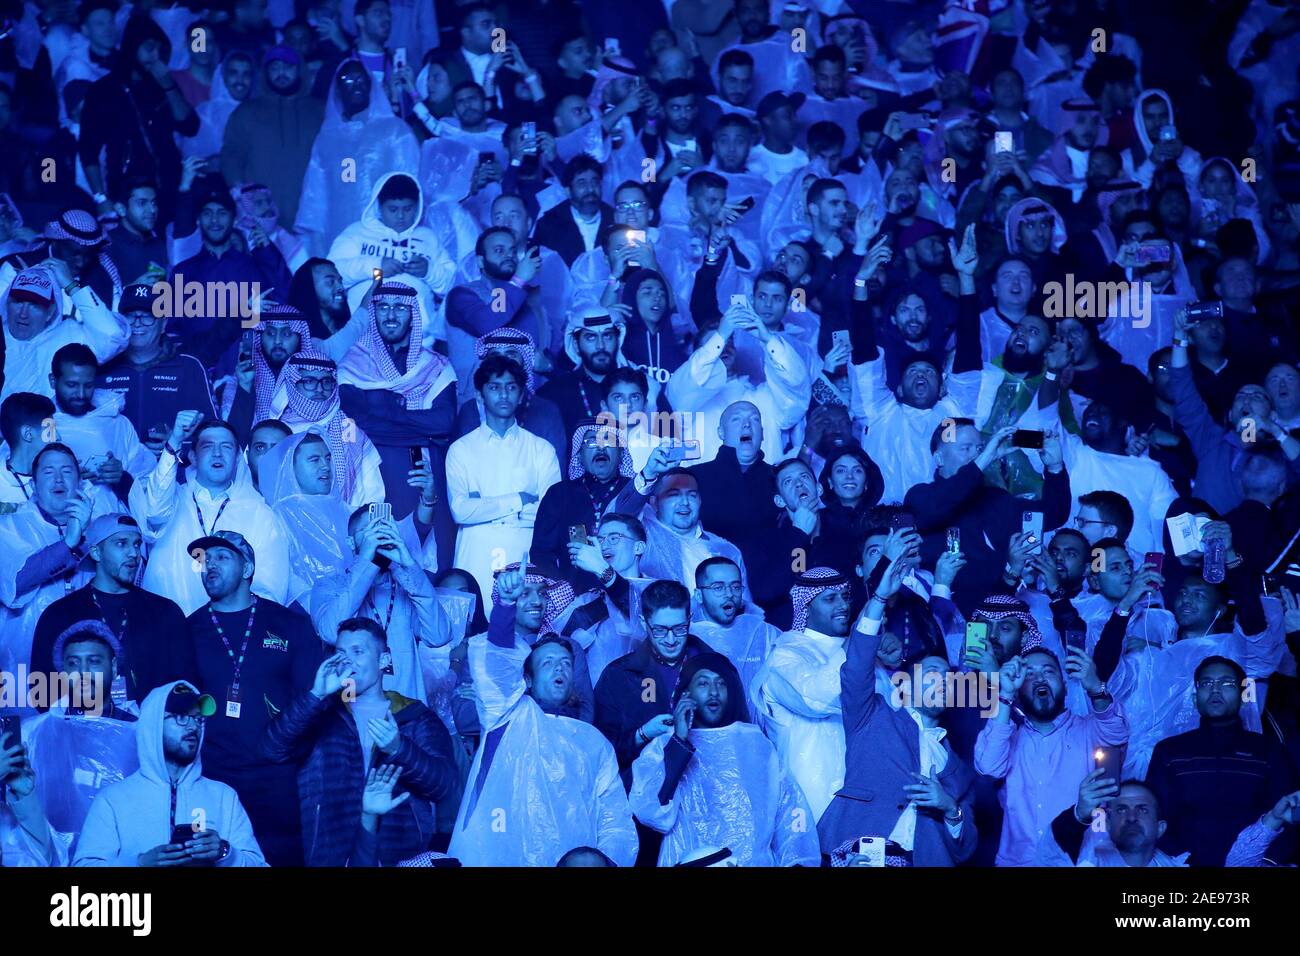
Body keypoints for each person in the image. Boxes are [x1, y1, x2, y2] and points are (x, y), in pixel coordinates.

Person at [447, 565, 637, 866]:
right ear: (528, 681)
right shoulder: (507, 716)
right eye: (547, 663)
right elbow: (498, 660)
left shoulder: (593, 741)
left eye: (565, 663)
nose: (560, 668)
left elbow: (614, 819)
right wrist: (506, 606)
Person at [819, 556, 979, 866]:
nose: (943, 681)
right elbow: (855, 669)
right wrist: (879, 599)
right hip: (856, 855)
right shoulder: (871, 716)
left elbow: (966, 848)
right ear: (905, 686)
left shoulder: (958, 768)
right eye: (932, 673)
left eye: (948, 677)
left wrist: (949, 807)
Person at [260, 618, 459, 866]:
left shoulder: (415, 716)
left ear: (383, 661)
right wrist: (317, 695)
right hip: (329, 857)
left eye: (358, 651)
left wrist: (399, 749)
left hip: (397, 857)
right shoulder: (320, 713)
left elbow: (445, 786)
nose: (347, 660)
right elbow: (271, 749)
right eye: (341, 652)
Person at [182, 530, 322, 867]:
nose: (208, 565)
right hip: (212, 781)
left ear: (247, 569)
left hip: (279, 783)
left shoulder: (291, 625)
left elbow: (314, 705)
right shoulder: (187, 630)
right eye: (204, 559)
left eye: (221, 557)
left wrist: (287, 760)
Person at [628, 651, 820, 866]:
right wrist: (679, 742)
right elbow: (650, 812)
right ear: (685, 693)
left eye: (721, 684)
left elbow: (789, 808)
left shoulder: (756, 743)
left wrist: (798, 862)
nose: (713, 692)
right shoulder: (663, 746)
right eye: (703, 683)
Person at [73, 682, 267, 866]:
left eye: (198, 719)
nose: (193, 727)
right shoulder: (112, 800)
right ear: (153, 724)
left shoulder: (224, 797)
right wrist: (139, 863)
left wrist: (225, 853)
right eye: (181, 717)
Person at [975, 646, 1130, 867]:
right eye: (1029, 674)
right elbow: (989, 766)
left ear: (1065, 687)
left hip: (1080, 862)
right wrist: (1005, 694)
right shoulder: (1007, 739)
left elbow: (1117, 732)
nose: (1039, 679)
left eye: (1048, 672)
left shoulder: (1091, 731)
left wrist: (1096, 686)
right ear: (1019, 689)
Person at [130, 415, 290, 616]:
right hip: (166, 628)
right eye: (207, 446)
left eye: (226, 447)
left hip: (229, 636)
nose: (217, 454)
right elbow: (153, 513)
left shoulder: (259, 513)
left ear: (238, 457)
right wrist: (174, 443)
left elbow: (270, 588)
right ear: (193, 457)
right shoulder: (171, 498)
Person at [1146, 656, 1298, 866]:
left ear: (1245, 696)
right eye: (1207, 684)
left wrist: (1269, 861)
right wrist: (1179, 861)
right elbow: (1153, 815)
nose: (1215, 690)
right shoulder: (1169, 751)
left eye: (1227, 683)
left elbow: (1290, 815)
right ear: (1194, 698)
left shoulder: (1269, 751)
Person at [30, 514, 195, 705]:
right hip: (85, 731)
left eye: (136, 544)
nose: (134, 553)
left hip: (150, 732)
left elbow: (185, 684)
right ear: (96, 553)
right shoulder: (60, 615)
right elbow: (42, 692)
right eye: (121, 543)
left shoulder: (166, 612)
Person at [0, 443, 125, 677]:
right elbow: (15, 581)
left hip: (91, 667)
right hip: (25, 667)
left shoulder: (101, 531)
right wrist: (70, 544)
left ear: (79, 483)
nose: (58, 479)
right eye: (48, 472)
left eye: (67, 472)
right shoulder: (8, 527)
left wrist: (89, 538)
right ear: (34, 486)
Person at [444, 352, 561, 602]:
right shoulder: (461, 449)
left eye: (511, 387)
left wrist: (483, 505)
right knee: (474, 626)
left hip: (524, 552)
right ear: (480, 394)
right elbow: (461, 512)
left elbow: (550, 514)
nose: (504, 395)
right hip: (475, 552)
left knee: (523, 628)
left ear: (521, 395)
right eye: (495, 387)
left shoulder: (541, 449)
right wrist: (520, 500)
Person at [755, 568, 854, 821]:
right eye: (830, 599)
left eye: (845, 596)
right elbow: (819, 697)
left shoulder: (863, 652)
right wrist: (862, 635)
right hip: (812, 798)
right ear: (805, 607)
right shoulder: (785, 655)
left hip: (863, 792)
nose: (843, 605)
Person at [96, 284, 217, 449]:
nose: (137, 323)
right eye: (130, 316)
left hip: (172, 470)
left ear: (164, 323)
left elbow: (213, 433)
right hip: (114, 472)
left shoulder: (189, 367)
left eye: (147, 316)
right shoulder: (101, 365)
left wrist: (175, 444)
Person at [220, 46, 325, 229]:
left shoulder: (319, 111)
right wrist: (243, 196)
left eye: (288, 67)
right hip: (261, 219)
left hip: (312, 218)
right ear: (265, 73)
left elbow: (337, 156)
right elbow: (231, 156)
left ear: (299, 70)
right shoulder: (246, 112)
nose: (281, 73)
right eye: (274, 68)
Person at [267, 350, 387, 508]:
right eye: (309, 381)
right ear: (292, 382)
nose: (319, 389)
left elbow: (368, 480)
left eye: (326, 381)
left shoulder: (347, 425)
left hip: (345, 520)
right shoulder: (278, 430)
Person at [3, 265, 128, 403]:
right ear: (7, 303)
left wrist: (72, 286)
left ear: (50, 312)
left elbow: (112, 337)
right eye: (18, 302)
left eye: (34, 305)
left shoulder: (68, 336)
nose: (23, 314)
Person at [327, 172, 456, 295]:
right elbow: (329, 276)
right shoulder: (357, 233)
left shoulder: (428, 237)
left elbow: (451, 285)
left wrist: (428, 271)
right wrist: (375, 268)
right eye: (393, 209)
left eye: (407, 209)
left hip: (418, 317)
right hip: (363, 316)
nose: (400, 216)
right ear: (379, 206)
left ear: (417, 207)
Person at [47, 343, 156, 484]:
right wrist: (68, 479)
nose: (81, 394)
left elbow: (150, 483)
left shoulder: (116, 422)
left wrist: (123, 478)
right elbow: (17, 479)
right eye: (72, 385)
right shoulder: (38, 423)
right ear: (53, 381)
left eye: (88, 386)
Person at [690, 556, 778, 705]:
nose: (729, 594)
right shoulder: (686, 638)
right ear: (699, 595)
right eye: (718, 588)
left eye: (736, 587)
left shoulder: (761, 632)